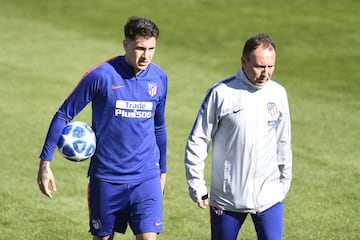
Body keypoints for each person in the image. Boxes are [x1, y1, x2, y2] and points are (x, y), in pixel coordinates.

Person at [37, 16, 167, 240]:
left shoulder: (159, 78)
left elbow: (159, 127)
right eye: (140, 48)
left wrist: (162, 171)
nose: (146, 55)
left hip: (146, 177)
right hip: (107, 178)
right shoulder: (101, 76)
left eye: (151, 48)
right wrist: (45, 164)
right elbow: (63, 115)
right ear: (125, 44)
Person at [184, 34, 292, 240]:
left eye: (271, 67)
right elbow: (198, 140)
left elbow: (283, 141)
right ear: (243, 61)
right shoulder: (221, 93)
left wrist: (283, 185)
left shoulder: (278, 94)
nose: (266, 73)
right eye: (260, 66)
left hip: (269, 197)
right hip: (227, 200)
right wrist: (196, 184)